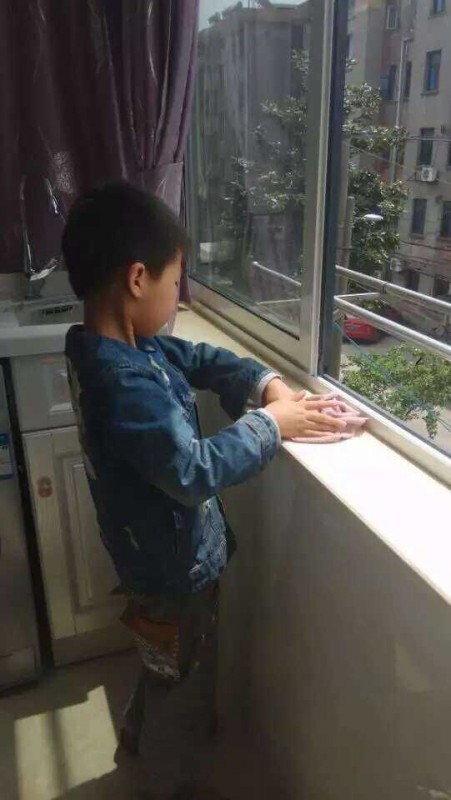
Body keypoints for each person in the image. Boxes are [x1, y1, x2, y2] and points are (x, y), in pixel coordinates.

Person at [63, 181, 344, 800]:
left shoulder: (121, 348)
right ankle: (169, 782)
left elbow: (197, 357)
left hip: (157, 563)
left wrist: (266, 384)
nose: (178, 295)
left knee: (164, 666)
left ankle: (138, 741)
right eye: (176, 280)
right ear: (138, 279)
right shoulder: (121, 383)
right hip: (170, 576)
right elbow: (192, 472)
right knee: (181, 685)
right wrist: (272, 425)